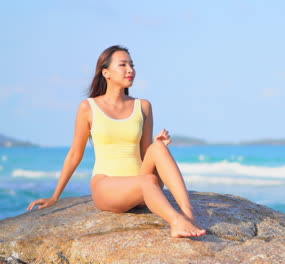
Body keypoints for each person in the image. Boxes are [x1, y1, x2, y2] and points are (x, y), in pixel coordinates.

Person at [27, 45, 206, 238]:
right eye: (123, 65)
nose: (130, 70)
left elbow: (146, 152)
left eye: (132, 65)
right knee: (146, 181)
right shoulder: (89, 107)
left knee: (158, 148)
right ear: (106, 73)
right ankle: (176, 222)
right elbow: (75, 154)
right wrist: (55, 197)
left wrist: (158, 144)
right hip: (107, 186)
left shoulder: (143, 106)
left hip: (142, 182)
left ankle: (188, 215)